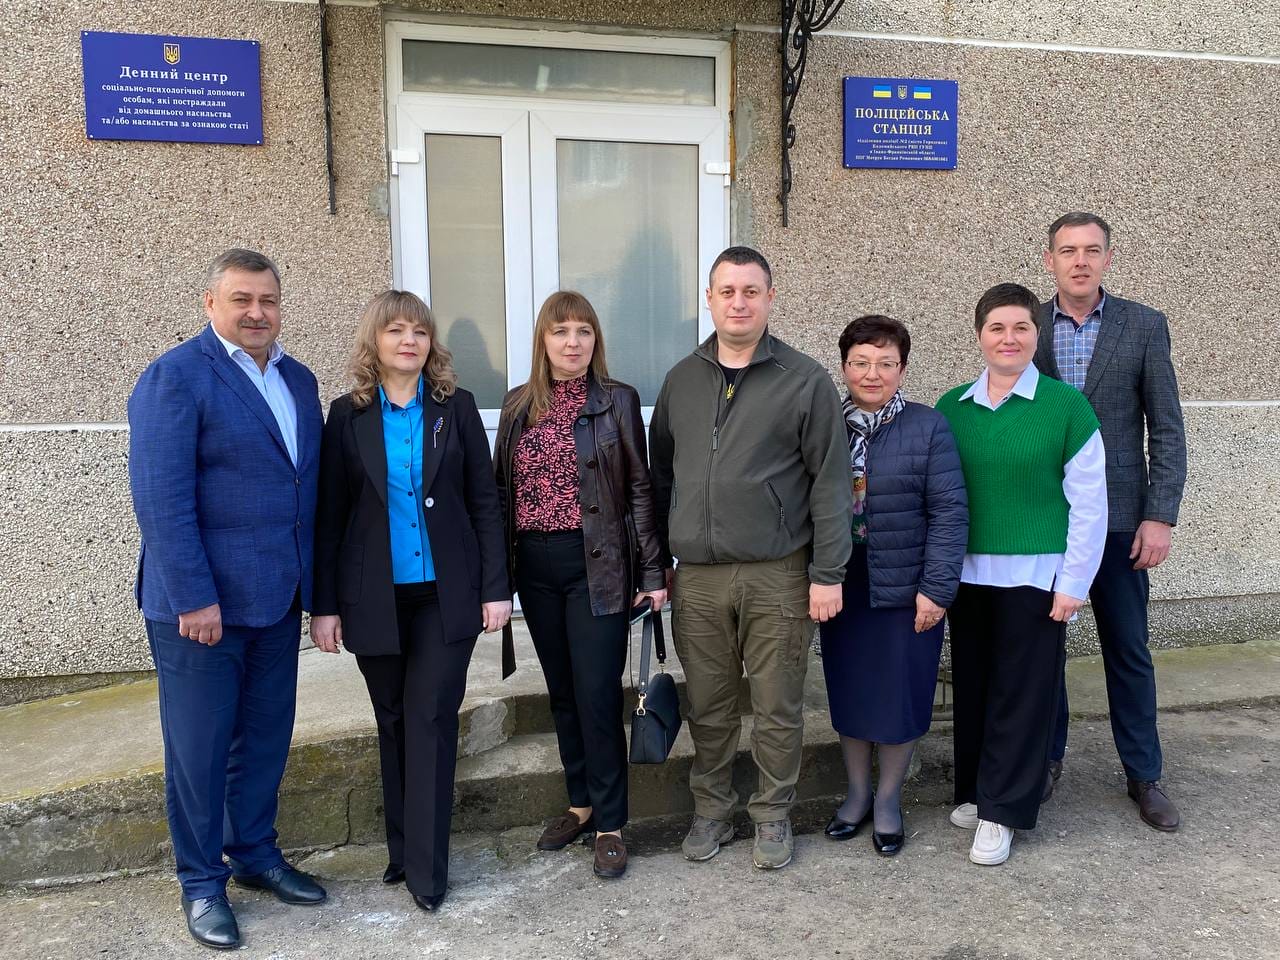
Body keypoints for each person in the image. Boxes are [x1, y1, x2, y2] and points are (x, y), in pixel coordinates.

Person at [127, 249, 327, 950]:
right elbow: (161, 499)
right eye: (241, 299)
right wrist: (193, 597)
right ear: (210, 303)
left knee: (266, 741)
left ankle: (255, 855)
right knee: (200, 751)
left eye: (268, 300)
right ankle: (201, 884)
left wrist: (318, 594)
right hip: (200, 612)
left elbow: (309, 493)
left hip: (277, 600)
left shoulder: (299, 381)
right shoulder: (176, 377)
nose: (256, 313)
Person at [649, 246, 853, 871]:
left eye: (751, 291)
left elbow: (830, 483)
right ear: (709, 300)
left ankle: (772, 815)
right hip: (699, 578)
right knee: (709, 705)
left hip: (778, 574)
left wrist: (827, 574)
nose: (739, 302)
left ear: (769, 298)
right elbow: (660, 477)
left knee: (775, 703)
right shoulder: (682, 378)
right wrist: (657, 564)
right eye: (727, 291)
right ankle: (711, 809)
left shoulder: (805, 379)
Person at [310, 290, 511, 913]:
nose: (409, 341)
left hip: (444, 598)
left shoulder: (458, 408)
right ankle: (402, 849)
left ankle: (427, 871)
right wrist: (324, 605)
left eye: (419, 332)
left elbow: (485, 502)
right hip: (373, 598)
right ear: (375, 341)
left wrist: (495, 589)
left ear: (431, 344)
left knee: (428, 720)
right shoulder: (346, 417)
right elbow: (330, 517)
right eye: (396, 330)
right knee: (393, 721)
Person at [493, 291, 666, 880]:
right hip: (535, 568)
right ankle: (581, 801)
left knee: (596, 695)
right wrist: (499, 578)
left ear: (596, 340)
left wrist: (652, 571)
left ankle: (613, 822)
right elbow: (498, 496)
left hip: (598, 566)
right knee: (563, 692)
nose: (573, 342)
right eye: (561, 331)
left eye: (584, 331)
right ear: (543, 340)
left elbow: (639, 488)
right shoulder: (518, 406)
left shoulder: (617, 401)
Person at [936, 282, 1108, 866]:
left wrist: (1074, 583)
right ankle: (977, 791)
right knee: (976, 688)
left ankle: (1003, 811)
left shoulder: (1066, 407)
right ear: (979, 336)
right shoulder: (951, 407)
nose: (1009, 339)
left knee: (1022, 694)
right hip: (966, 575)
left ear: (1037, 335)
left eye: (1022, 328)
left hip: (1037, 575)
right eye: (997, 328)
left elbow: (1090, 503)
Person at [1035, 212, 1188, 831]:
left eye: (1090, 251)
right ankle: (1045, 763)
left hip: (1123, 519)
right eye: (1067, 251)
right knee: (1045, 651)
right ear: (1050, 260)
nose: (1079, 261)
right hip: (1046, 518)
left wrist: (1160, 516)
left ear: (1107, 258)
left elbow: (1167, 428)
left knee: (1128, 649)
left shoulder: (1143, 326)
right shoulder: (1027, 326)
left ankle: (1144, 775)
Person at [818, 315, 968, 857]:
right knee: (851, 691)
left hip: (908, 587)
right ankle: (856, 794)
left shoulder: (929, 427)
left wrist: (937, 588)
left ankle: (887, 799)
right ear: (844, 367)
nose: (872, 373)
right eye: (861, 362)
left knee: (902, 695)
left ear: (902, 368)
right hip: (840, 583)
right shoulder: (823, 422)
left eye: (885, 363)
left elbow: (950, 513)